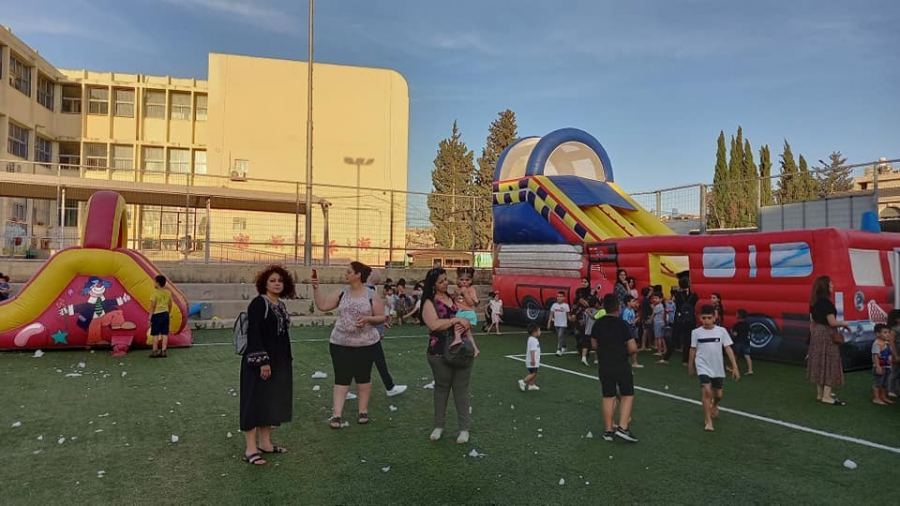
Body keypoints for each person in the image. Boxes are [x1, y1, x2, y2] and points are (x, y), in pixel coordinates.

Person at [313, 261, 386, 429]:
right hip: (340, 343)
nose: (345, 274)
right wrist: (316, 288)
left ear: (358, 275)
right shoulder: (342, 293)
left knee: (363, 377)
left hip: (366, 344)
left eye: (348, 272)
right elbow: (323, 306)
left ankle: (363, 411)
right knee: (341, 378)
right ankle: (337, 415)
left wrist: (368, 319)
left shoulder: (371, 294)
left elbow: (381, 317)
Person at [240, 265, 296, 466]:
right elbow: (254, 333)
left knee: (271, 402)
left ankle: (265, 443)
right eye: (272, 280)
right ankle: (250, 449)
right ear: (264, 283)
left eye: (280, 280)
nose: (277, 283)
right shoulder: (258, 303)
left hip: (279, 362)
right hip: (259, 363)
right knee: (254, 402)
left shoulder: (280, 305)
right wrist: (263, 361)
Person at [421, 267, 480, 444]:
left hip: (462, 350)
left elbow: (471, 310)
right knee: (441, 389)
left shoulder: (455, 298)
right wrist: (455, 320)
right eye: (441, 281)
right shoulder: (428, 302)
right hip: (439, 351)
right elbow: (434, 324)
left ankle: (464, 429)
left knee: (461, 390)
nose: (445, 283)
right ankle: (439, 426)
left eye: (446, 279)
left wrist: (467, 324)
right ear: (433, 285)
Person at [591, 294, 638, 443]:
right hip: (621, 363)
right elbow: (632, 348)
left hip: (604, 364)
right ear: (618, 307)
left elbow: (594, 345)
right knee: (627, 394)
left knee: (608, 395)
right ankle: (623, 427)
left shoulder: (597, 324)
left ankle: (608, 430)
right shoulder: (622, 324)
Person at [688, 304, 740, 432]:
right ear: (700, 318)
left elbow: (728, 348)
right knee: (706, 391)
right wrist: (691, 365)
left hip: (717, 367)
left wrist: (735, 367)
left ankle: (715, 404)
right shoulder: (696, 332)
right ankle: (708, 421)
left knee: (718, 395)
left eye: (709, 318)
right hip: (702, 365)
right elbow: (692, 349)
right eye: (703, 318)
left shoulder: (721, 331)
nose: (706, 321)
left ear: (714, 317)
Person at [807, 275, 849, 406]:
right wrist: (844, 323)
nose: (833, 286)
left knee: (819, 362)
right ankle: (826, 396)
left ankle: (820, 394)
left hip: (816, 334)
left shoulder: (814, 302)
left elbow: (812, 321)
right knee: (830, 362)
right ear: (826, 287)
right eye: (831, 285)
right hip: (827, 335)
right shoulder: (827, 303)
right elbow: (832, 322)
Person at [671, 277, 699, 364]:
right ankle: (685, 359)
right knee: (688, 339)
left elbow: (673, 302)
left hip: (679, 318)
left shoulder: (677, 295)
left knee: (675, 337)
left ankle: (666, 356)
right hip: (690, 319)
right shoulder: (694, 295)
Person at [452, 267, 479, 346]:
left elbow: (471, 303)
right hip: (459, 312)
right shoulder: (456, 289)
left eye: (467, 280)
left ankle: (457, 339)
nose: (464, 282)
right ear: (457, 280)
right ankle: (474, 348)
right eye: (461, 279)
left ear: (471, 281)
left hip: (468, 312)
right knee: (467, 332)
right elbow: (455, 300)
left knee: (458, 327)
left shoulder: (471, 289)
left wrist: (465, 293)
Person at [148, 274, 173, 358]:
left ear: (158, 283)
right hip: (165, 314)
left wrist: (149, 317)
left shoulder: (154, 294)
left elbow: (152, 306)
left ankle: (154, 351)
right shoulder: (168, 293)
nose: (153, 284)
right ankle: (163, 351)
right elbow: (170, 304)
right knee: (165, 333)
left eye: (154, 282)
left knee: (155, 334)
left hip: (157, 315)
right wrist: (168, 312)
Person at [871, 324, 894, 405]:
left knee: (885, 384)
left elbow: (890, 353)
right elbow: (875, 356)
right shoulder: (876, 344)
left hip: (887, 366)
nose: (887, 334)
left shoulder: (886, 343)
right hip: (880, 367)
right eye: (885, 332)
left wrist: (890, 361)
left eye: (888, 332)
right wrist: (878, 366)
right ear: (877, 334)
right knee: (878, 383)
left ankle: (883, 397)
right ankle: (876, 398)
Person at [730, 309, 754, 375]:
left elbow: (735, 334)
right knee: (747, 355)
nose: (735, 315)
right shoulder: (747, 324)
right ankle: (750, 369)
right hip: (746, 341)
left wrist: (731, 331)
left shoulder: (737, 325)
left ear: (739, 316)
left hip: (738, 342)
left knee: (735, 355)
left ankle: (733, 367)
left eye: (736, 314)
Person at [518, 323, 542, 392]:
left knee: (534, 373)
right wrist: (533, 359)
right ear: (534, 332)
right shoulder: (533, 340)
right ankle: (523, 381)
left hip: (533, 360)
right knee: (533, 373)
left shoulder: (532, 339)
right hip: (532, 361)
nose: (540, 332)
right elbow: (532, 351)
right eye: (539, 330)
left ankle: (531, 385)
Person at [547, 291, 571, 356]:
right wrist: (549, 322)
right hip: (556, 323)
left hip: (563, 324)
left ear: (564, 298)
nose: (559, 298)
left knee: (560, 336)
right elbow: (551, 314)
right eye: (558, 296)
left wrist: (570, 318)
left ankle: (559, 350)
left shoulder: (566, 306)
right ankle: (564, 346)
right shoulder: (554, 305)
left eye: (561, 296)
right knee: (561, 337)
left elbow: (568, 315)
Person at [622, 295, 643, 368]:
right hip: (628, 331)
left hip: (632, 329)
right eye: (633, 301)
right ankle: (633, 362)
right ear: (628, 303)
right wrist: (635, 320)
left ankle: (634, 362)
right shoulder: (626, 311)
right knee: (632, 347)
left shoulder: (632, 310)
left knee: (632, 347)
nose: (635, 303)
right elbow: (626, 322)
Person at [650, 292, 666, 362]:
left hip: (658, 323)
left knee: (658, 337)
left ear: (661, 299)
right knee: (661, 337)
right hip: (661, 322)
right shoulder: (661, 305)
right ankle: (664, 349)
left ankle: (659, 351)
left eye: (656, 298)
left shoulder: (658, 306)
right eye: (654, 298)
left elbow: (653, 314)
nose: (654, 299)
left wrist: (650, 320)